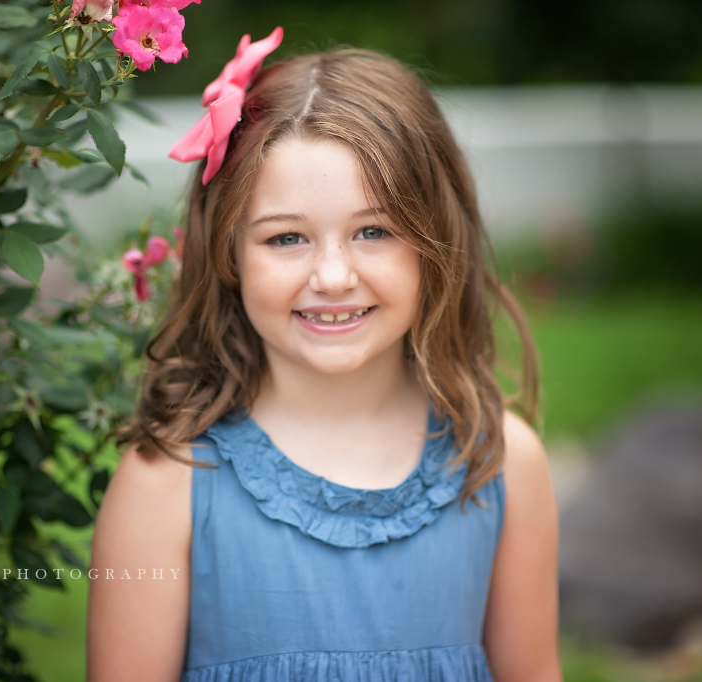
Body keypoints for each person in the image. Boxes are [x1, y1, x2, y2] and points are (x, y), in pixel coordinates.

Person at [87, 27, 560, 682]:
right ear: (229, 253)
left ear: (435, 240)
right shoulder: (168, 480)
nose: (333, 276)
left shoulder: (500, 464)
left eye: (373, 231)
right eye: (286, 239)